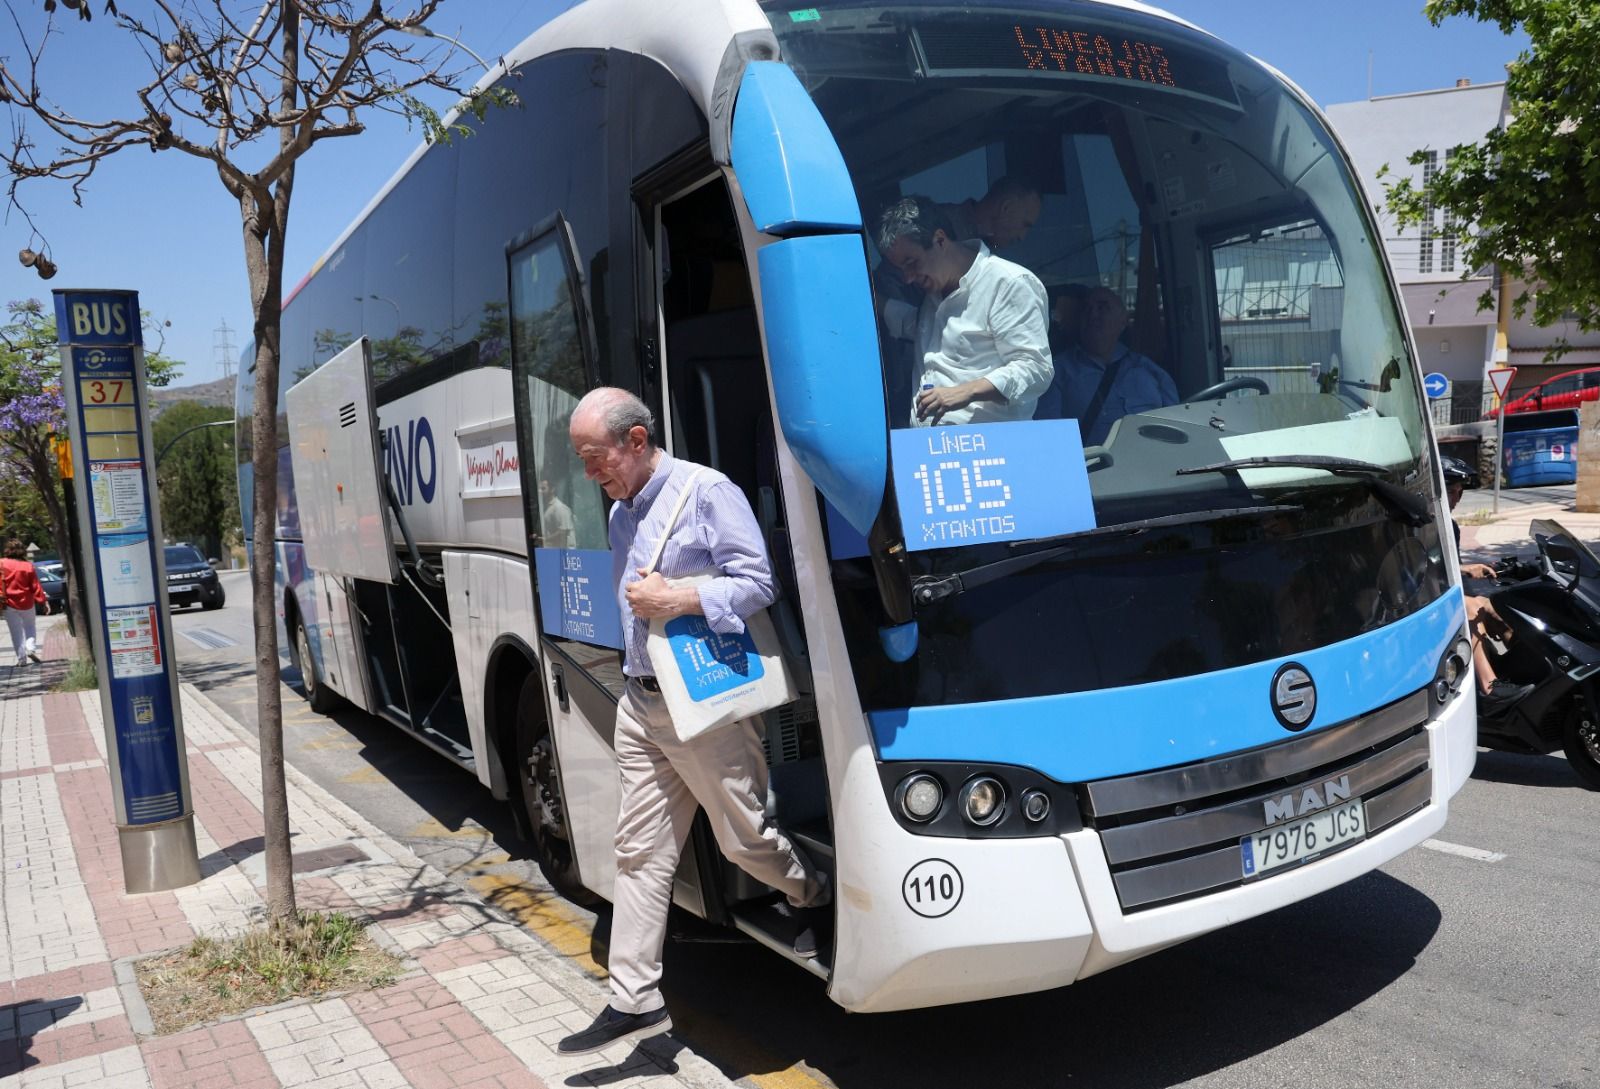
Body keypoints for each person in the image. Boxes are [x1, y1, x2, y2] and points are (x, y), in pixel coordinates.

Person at [557, 388, 828, 1056]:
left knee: (743, 840)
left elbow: (759, 580)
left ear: (637, 440)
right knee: (640, 851)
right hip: (641, 704)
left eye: (596, 458)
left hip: (701, 708)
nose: (592, 474)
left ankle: (813, 894)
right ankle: (634, 998)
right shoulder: (622, 515)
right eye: (584, 462)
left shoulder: (708, 493)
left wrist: (677, 597)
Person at [877, 196, 1053, 427]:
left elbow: (1035, 369)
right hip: (928, 452)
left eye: (911, 262)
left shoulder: (1008, 283)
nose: (908, 278)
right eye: (902, 269)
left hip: (991, 453)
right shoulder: (933, 296)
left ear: (940, 240)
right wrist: (867, 297)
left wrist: (964, 392)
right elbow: (916, 326)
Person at [1441, 456, 1531, 705]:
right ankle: (1489, 688)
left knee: (1495, 607)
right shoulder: (1423, 525)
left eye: (1459, 493)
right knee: (1470, 608)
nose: (1456, 500)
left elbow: (1453, 574)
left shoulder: (1451, 526)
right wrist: (1465, 570)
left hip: (1446, 593)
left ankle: (1524, 667)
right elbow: (1425, 569)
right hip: (1425, 601)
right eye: (1450, 492)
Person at [1038, 286, 1177, 445]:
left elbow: (1178, 431)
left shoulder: (1151, 372)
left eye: (1102, 307)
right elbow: (1051, 442)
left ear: (1123, 321)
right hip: (1095, 467)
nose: (1093, 314)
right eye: (1086, 309)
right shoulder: (1055, 374)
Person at [939, 175, 1042, 250]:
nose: (1022, 237)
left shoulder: (988, 251)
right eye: (1024, 225)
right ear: (1006, 208)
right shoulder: (938, 225)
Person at [2, 539, 49, 667]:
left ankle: (21, 659)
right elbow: (35, 586)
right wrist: (43, 602)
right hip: (27, 602)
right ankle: (31, 648)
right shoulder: (28, 566)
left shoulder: (1, 563)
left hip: (8, 603)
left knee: (15, 631)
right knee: (30, 626)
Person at [538, 478, 576, 548]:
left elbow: (562, 532)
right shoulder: (547, 507)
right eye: (540, 489)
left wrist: (545, 540)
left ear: (552, 489)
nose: (540, 491)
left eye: (543, 489)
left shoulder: (559, 507)